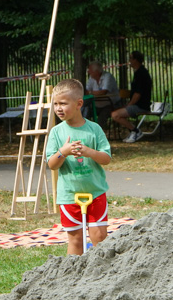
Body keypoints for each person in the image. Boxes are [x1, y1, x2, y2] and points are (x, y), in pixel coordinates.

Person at [45, 78, 112, 255]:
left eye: (63, 103)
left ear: (78, 103)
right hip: (69, 196)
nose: (58, 108)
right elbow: (52, 164)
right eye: (55, 104)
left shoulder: (94, 129)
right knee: (76, 240)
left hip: (96, 192)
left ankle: (101, 273)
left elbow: (106, 158)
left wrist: (90, 152)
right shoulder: (56, 132)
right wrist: (63, 152)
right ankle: (72, 277)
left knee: (99, 237)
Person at [111, 51, 152, 143]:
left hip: (141, 106)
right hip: (139, 104)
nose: (129, 61)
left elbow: (138, 94)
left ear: (136, 60)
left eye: (130, 58)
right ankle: (133, 131)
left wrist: (129, 105)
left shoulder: (141, 74)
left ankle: (136, 131)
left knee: (115, 115)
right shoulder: (139, 72)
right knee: (116, 113)